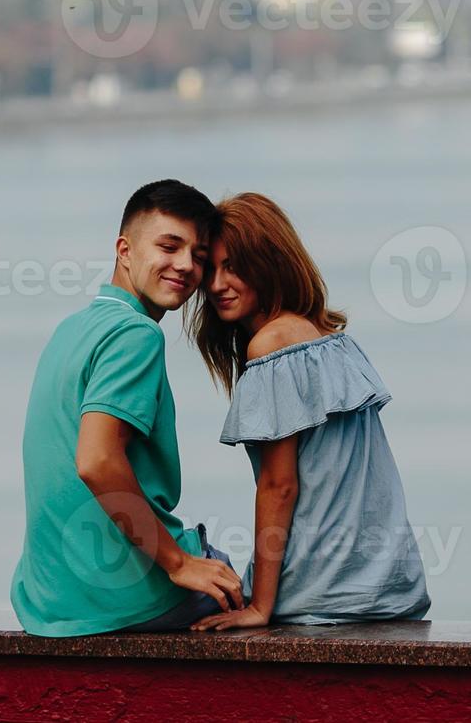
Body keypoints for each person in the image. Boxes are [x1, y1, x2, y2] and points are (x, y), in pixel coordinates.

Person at [11, 179, 245, 636]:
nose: (186, 266)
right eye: (168, 246)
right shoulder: (136, 335)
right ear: (125, 250)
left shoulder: (72, 328)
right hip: (118, 594)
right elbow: (96, 460)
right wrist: (178, 563)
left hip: (47, 600)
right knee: (251, 592)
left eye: (198, 256)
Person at [188, 192, 431, 630]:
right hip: (388, 587)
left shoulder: (272, 345)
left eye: (235, 267)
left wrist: (261, 606)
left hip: (319, 592)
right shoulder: (332, 338)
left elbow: (279, 485)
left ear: (270, 264)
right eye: (213, 269)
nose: (217, 285)